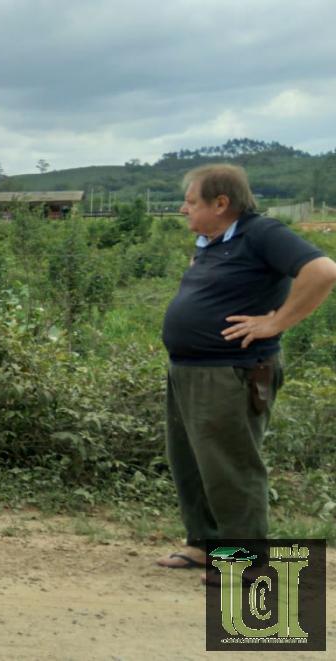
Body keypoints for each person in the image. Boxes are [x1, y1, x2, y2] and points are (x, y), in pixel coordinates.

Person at [154, 164, 336, 581]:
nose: (183, 209)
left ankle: (245, 560)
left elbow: (323, 271)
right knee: (192, 462)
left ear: (222, 203)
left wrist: (275, 322)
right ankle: (203, 544)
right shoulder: (212, 241)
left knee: (230, 465)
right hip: (189, 369)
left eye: (191, 201)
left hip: (232, 371)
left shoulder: (261, 233)